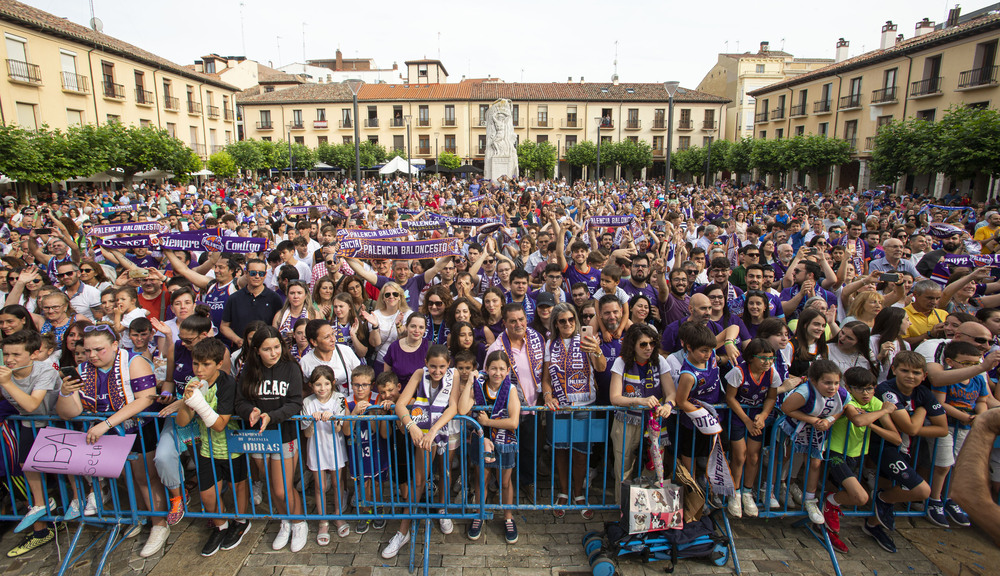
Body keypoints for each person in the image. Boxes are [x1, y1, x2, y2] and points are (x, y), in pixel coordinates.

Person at [55, 323, 169, 558]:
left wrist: (107, 423)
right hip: (106, 432)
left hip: (136, 427)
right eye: (88, 351)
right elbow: (69, 412)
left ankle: (159, 525)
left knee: (144, 477)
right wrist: (66, 391)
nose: (92, 356)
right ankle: (139, 516)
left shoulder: (133, 362)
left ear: (115, 345)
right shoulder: (83, 369)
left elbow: (146, 399)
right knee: (125, 477)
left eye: (99, 350)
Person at [175, 338, 251, 557]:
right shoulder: (193, 382)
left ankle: (240, 521)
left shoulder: (228, 385)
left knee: (238, 488)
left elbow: (219, 425)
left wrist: (198, 403)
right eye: (196, 364)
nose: (199, 370)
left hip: (231, 446)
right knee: (208, 496)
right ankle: (221, 527)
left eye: (205, 364)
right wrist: (187, 400)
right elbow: (182, 421)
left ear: (218, 364)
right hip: (206, 449)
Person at [863, 351, 946, 553]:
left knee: (888, 486)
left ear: (924, 376)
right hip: (885, 447)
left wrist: (915, 425)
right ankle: (883, 499)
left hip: (904, 448)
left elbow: (942, 429)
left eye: (917, 373)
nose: (911, 376)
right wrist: (922, 411)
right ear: (894, 370)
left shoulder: (923, 393)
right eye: (905, 371)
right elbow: (909, 428)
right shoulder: (886, 389)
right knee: (922, 490)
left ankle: (873, 525)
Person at [233, 326, 306, 552]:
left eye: (276, 347)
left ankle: (299, 522)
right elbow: (239, 401)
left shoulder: (291, 368)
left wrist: (271, 416)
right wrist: (250, 412)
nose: (273, 353)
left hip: (283, 434)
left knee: (282, 488)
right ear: (256, 351)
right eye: (267, 349)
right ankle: (285, 521)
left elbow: (295, 403)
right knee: (270, 485)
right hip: (257, 437)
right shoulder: (248, 370)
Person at [385, 345, 463, 558]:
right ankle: (403, 531)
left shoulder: (453, 375)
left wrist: (434, 431)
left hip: (444, 431)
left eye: (442, 367)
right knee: (419, 480)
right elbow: (400, 405)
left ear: (449, 365)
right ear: (426, 363)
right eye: (433, 366)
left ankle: (443, 510)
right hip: (421, 431)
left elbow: (453, 407)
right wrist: (412, 427)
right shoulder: (420, 374)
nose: (437, 371)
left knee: (445, 472)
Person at [822, 367, 899, 554]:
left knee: (845, 493)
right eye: (861, 389)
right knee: (860, 496)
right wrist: (882, 412)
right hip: (834, 453)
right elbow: (858, 421)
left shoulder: (875, 403)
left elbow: (895, 438)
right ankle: (828, 504)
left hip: (855, 455)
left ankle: (828, 522)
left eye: (871, 388)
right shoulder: (845, 400)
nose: (866, 393)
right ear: (848, 388)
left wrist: (873, 422)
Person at [540, 303, 606, 518]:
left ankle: (579, 494)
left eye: (570, 319)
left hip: (584, 405)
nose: (567, 324)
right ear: (556, 324)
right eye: (562, 321)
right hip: (560, 406)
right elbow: (547, 378)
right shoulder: (550, 344)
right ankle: (564, 492)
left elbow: (601, 367)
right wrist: (548, 395)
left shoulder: (588, 339)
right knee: (560, 451)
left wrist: (596, 350)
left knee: (580, 453)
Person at [2, 330, 62, 557]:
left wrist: (7, 384)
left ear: (34, 354)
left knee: (67, 474)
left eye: (16, 354)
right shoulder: (7, 374)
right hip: (28, 426)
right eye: (6, 354)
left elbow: (32, 405)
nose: (9, 360)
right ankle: (40, 506)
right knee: (26, 465)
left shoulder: (44, 370)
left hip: (55, 423)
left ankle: (69, 509)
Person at [458, 350, 521, 543]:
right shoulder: (478, 386)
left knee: (504, 482)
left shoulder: (510, 389)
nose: (497, 373)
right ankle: (479, 513)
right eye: (493, 368)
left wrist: (487, 423)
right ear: (486, 368)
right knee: (481, 479)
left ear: (508, 370)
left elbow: (513, 423)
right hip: (481, 441)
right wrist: (469, 381)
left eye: (502, 369)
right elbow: (462, 409)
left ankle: (508, 517)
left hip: (504, 442)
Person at [609, 323, 675, 502]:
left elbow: (670, 392)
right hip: (627, 421)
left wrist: (668, 404)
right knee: (624, 469)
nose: (648, 348)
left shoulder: (659, 360)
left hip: (654, 422)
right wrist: (639, 401)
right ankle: (622, 509)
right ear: (633, 345)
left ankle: (649, 511)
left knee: (654, 467)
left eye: (652, 344)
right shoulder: (621, 361)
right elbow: (614, 397)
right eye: (643, 344)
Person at [926, 340, 989, 528]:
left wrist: (980, 416)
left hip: (966, 427)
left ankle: (951, 499)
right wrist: (965, 416)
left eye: (975, 364)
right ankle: (935, 499)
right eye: (966, 363)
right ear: (950, 361)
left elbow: (982, 401)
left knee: (958, 464)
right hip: (946, 424)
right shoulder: (947, 377)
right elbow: (940, 403)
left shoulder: (978, 379)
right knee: (943, 464)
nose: (972, 368)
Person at [779, 359, 847, 526]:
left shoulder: (842, 394)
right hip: (795, 426)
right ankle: (774, 488)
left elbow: (842, 408)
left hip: (817, 430)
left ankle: (810, 500)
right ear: (814, 381)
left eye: (836, 383)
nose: (832, 387)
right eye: (827, 383)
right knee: (785, 457)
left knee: (815, 462)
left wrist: (830, 420)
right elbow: (786, 408)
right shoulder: (804, 392)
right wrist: (811, 419)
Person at [724, 338, 779, 519]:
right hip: (739, 417)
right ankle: (735, 492)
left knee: (754, 457)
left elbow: (771, 398)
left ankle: (747, 492)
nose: (767, 362)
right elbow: (730, 398)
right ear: (751, 358)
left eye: (770, 358)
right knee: (740, 456)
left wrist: (763, 416)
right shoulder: (738, 372)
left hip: (757, 417)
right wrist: (746, 420)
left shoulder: (772, 374)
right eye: (762, 358)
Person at [301, 365, 350, 544]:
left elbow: (339, 428)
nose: (322, 388)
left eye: (326, 384)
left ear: (333, 383)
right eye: (318, 385)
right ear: (312, 386)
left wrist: (334, 418)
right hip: (316, 447)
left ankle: (338, 515)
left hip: (335, 447)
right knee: (320, 486)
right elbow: (306, 434)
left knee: (338, 483)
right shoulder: (307, 403)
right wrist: (312, 421)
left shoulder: (339, 399)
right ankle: (322, 520)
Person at [220, 259, 283, 349]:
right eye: (253, 273)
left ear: (265, 275)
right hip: (241, 350)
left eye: (261, 274)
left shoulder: (275, 299)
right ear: (246, 273)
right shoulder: (234, 298)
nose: (257, 276)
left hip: (266, 350)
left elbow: (278, 327)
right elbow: (224, 326)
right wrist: (238, 340)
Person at [298, 319, 362, 394]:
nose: (333, 339)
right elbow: (304, 390)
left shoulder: (345, 351)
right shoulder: (305, 362)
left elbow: (361, 376)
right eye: (327, 337)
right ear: (314, 342)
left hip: (348, 401)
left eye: (333, 334)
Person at [370, 281, 410, 375]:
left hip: (401, 362)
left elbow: (406, 340)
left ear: (400, 297)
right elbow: (375, 343)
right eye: (387, 294)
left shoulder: (408, 314)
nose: (391, 297)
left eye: (395, 294)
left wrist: (398, 325)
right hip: (381, 362)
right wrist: (375, 326)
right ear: (383, 298)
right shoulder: (375, 315)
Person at [383, 313, 431, 390]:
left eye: (421, 327)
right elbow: (386, 377)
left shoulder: (430, 347)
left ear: (425, 329)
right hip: (398, 396)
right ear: (406, 326)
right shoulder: (394, 347)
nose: (417, 330)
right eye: (413, 326)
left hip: (421, 397)